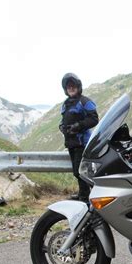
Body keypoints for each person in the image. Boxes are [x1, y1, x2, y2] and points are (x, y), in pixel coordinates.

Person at [59, 73, 99, 203]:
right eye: (68, 87)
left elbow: (94, 119)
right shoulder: (66, 104)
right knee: (77, 172)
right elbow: (63, 119)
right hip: (71, 143)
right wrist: (62, 126)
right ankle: (84, 194)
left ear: (78, 87)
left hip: (82, 142)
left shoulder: (85, 102)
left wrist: (78, 126)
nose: (71, 88)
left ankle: (86, 197)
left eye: (73, 86)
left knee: (81, 171)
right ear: (66, 89)